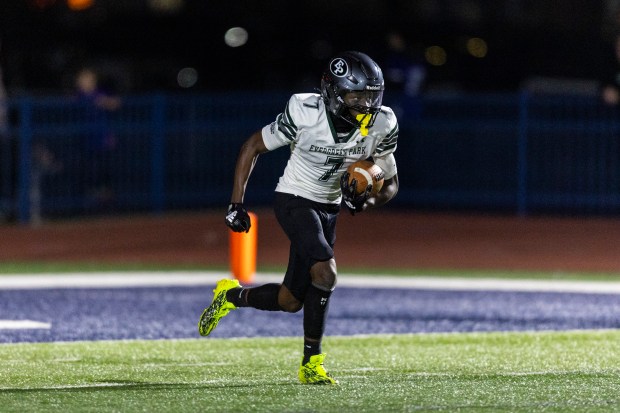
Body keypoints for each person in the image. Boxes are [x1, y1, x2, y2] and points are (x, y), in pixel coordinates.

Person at [198, 51, 400, 385]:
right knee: (326, 272)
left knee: (290, 301)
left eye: (370, 96)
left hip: (329, 208)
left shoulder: (382, 123)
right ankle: (311, 364)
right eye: (356, 96)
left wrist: (366, 200)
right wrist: (236, 203)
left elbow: (390, 183)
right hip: (294, 198)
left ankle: (229, 296)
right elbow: (252, 146)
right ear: (334, 93)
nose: (366, 105)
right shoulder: (306, 112)